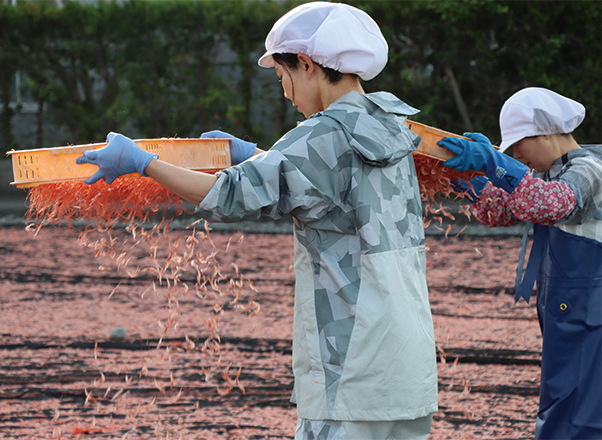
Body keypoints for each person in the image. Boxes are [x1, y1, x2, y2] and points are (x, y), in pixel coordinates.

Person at [77, 3, 438, 439]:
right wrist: (256, 156)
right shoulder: (393, 128)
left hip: (350, 367)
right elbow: (328, 186)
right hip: (406, 363)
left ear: (306, 65)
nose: (286, 93)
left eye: (283, 77)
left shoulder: (319, 135)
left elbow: (225, 194)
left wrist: (143, 163)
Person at [438, 87, 602, 439]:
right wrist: (470, 182)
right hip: (567, 316)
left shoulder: (590, 168)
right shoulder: (545, 176)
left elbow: (551, 203)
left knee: (582, 418)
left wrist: (496, 164)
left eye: (517, 146)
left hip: (591, 319)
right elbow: (500, 210)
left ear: (543, 133)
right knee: (561, 408)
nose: (516, 154)